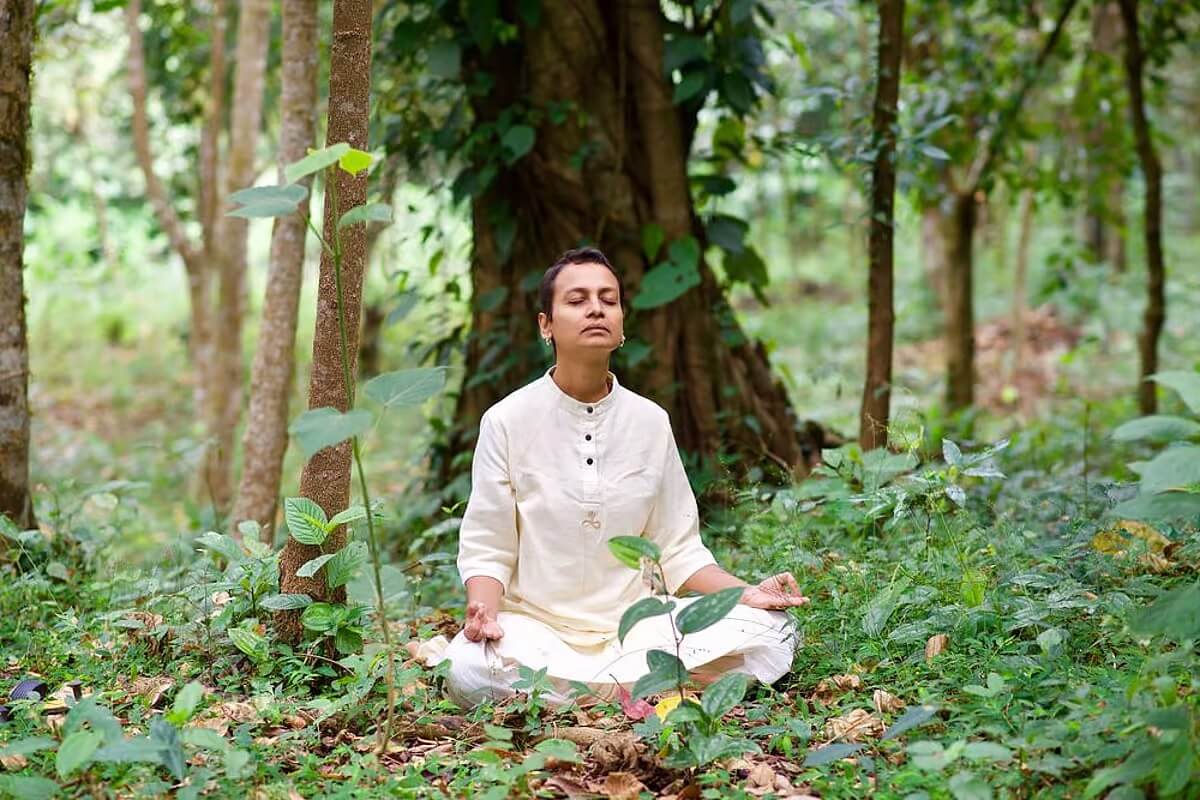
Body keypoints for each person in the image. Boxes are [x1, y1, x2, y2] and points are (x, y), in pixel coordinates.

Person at [439, 247, 808, 709]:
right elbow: (488, 546)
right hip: (537, 630)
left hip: (640, 627)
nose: (596, 308)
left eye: (608, 299)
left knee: (774, 630)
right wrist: (485, 617)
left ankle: (590, 694)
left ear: (621, 321)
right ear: (545, 325)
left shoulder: (650, 420)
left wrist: (749, 593)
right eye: (577, 300)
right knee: (469, 667)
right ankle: (648, 692)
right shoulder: (506, 420)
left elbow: (678, 550)